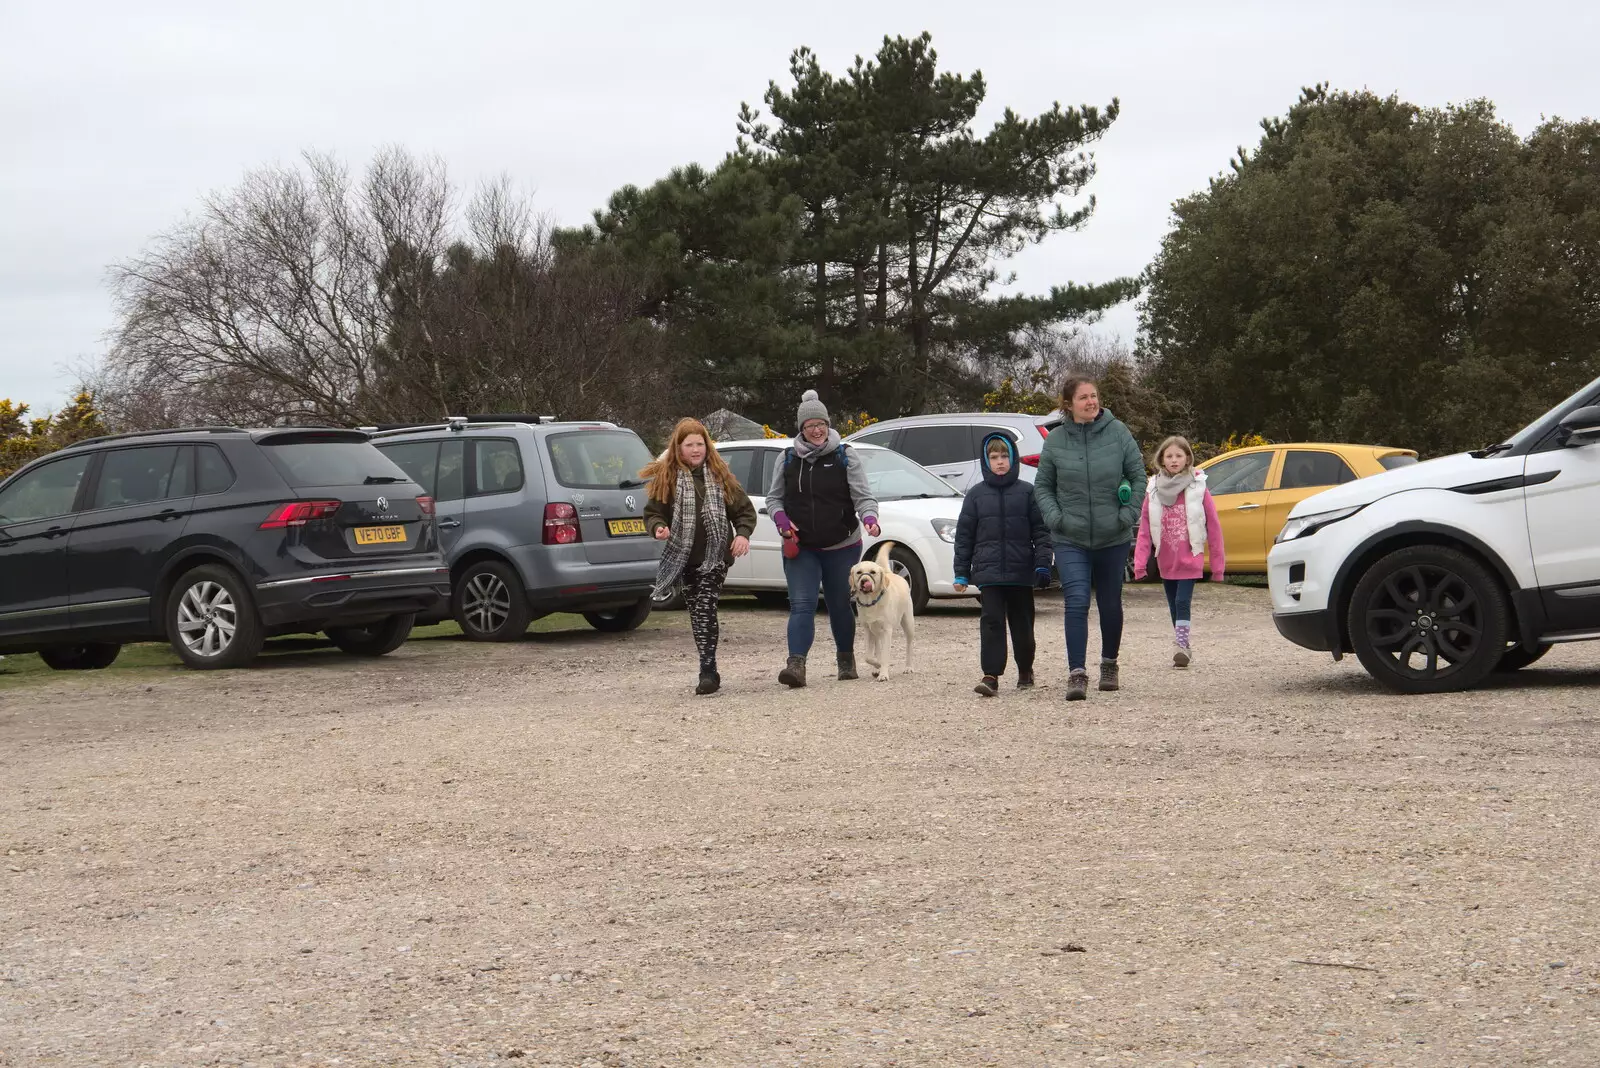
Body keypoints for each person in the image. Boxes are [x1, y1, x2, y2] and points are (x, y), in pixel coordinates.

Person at [1034, 376, 1148, 701]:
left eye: (1094, 396)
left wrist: (1127, 516)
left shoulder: (1118, 432)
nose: (1091, 402)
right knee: (1077, 601)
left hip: (1113, 536)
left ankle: (1109, 663)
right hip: (1070, 537)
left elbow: (1139, 477)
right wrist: (1056, 519)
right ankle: (1077, 673)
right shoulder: (1055, 441)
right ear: (1069, 404)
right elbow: (1043, 486)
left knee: (1110, 603)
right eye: (1083, 397)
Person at [765, 389, 881, 688]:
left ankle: (845, 659)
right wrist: (781, 520)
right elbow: (774, 499)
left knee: (839, 602)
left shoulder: (845, 455)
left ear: (827, 425)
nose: (816, 430)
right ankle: (796, 665)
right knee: (802, 603)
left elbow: (863, 496)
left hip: (842, 543)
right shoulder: (787, 458)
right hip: (802, 546)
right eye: (809, 426)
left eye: (820, 424)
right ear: (801, 430)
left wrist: (869, 518)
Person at [642, 418, 757, 695]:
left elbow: (744, 511)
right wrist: (658, 527)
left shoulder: (721, 476)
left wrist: (742, 534)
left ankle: (707, 671)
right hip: (684, 556)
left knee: (705, 605)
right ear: (678, 448)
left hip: (716, 555)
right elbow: (653, 512)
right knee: (698, 612)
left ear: (707, 445)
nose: (695, 449)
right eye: (689, 445)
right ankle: (710, 667)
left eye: (700, 444)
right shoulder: (667, 479)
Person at [952, 434, 1053, 697]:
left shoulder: (1027, 492)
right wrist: (961, 573)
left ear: (1013, 458)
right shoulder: (975, 496)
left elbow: (1041, 532)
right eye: (994, 457)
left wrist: (1043, 564)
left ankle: (1025, 669)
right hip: (989, 573)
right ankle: (991, 675)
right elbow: (964, 537)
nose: (999, 462)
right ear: (986, 461)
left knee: (1023, 625)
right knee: (992, 623)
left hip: (1021, 573)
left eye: (1004, 456)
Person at [1133, 435, 1226, 668]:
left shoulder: (1198, 487)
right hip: (1166, 560)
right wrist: (1140, 563)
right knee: (1173, 604)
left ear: (1187, 459)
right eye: (1169, 456)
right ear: (1162, 460)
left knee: (1182, 601)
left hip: (1190, 557)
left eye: (1179, 455)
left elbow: (1213, 527)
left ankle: (1181, 645)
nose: (1174, 460)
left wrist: (1218, 566)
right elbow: (1144, 529)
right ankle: (1182, 644)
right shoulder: (1152, 489)